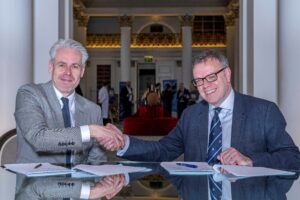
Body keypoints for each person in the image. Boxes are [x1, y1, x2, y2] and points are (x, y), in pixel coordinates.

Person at [109, 49, 300, 171]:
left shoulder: (263, 111)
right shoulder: (191, 115)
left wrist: (250, 161)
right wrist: (123, 142)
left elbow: (292, 158)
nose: (205, 85)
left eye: (211, 77)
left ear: (227, 74)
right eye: (198, 80)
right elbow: (163, 149)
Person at [14, 39, 124, 165]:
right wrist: (90, 131)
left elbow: (97, 161)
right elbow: (38, 138)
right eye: (62, 65)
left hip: (80, 184)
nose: (68, 72)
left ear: (82, 72)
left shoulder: (93, 110)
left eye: (75, 66)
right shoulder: (29, 94)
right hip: (36, 182)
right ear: (51, 67)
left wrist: (101, 182)